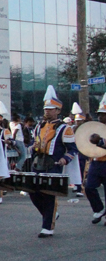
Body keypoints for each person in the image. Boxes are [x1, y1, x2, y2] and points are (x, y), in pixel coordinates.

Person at [29, 86, 77, 238]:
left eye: (51, 109)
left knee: (49, 195)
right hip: (38, 163)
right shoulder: (39, 127)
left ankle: (47, 227)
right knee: (33, 192)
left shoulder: (65, 128)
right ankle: (49, 215)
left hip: (53, 164)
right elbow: (34, 143)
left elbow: (73, 149)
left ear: (58, 110)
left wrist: (64, 159)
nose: (47, 111)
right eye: (45, 109)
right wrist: (33, 148)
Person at [84, 93, 106, 225]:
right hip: (96, 162)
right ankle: (100, 209)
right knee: (89, 187)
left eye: (103, 114)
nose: (100, 116)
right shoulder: (95, 128)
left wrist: (99, 142)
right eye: (99, 114)